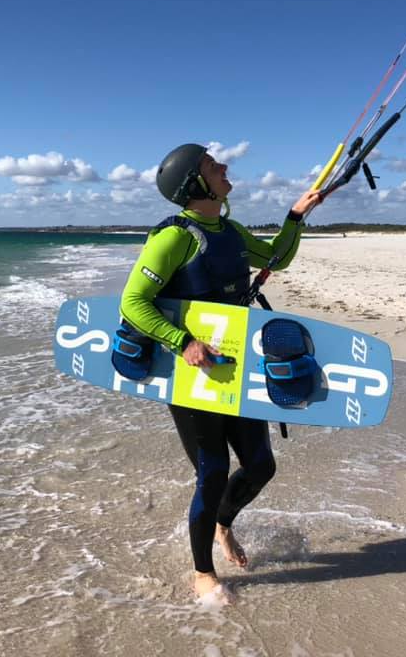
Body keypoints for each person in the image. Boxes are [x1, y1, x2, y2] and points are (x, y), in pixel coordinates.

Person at [119, 143, 323, 603]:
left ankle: (221, 525)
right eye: (213, 165)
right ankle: (202, 574)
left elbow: (277, 257)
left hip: (235, 366)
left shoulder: (228, 230)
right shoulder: (174, 237)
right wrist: (182, 342)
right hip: (190, 374)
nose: (225, 167)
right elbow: (133, 302)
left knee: (261, 466)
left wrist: (295, 215)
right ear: (195, 183)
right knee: (212, 473)